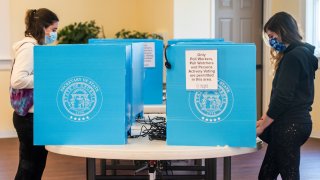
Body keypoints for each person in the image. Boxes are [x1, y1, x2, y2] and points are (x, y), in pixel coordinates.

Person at [256, 11, 318, 180]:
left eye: (272, 35)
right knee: (266, 175)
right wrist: (264, 118)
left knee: (289, 175)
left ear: (283, 31)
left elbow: (283, 97)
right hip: (298, 123)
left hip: (289, 127)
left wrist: (262, 126)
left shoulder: (293, 57)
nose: (271, 41)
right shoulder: (304, 54)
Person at [10, 8, 59, 180]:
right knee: (29, 168)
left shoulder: (35, 47)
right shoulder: (29, 48)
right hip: (28, 119)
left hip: (32, 117)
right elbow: (17, 80)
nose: (55, 35)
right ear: (42, 27)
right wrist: (46, 77)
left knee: (35, 166)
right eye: (53, 30)